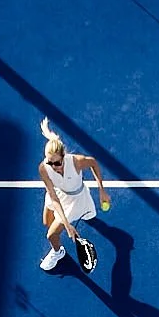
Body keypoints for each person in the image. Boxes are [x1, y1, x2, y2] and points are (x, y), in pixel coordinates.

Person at [38, 116, 106, 271]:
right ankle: (76, 220)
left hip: (76, 199)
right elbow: (53, 197)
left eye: (57, 163)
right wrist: (67, 225)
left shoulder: (76, 162)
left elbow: (94, 163)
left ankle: (58, 252)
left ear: (64, 157)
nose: (53, 166)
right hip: (57, 194)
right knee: (46, 222)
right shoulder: (43, 168)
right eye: (50, 162)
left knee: (51, 235)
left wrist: (101, 190)